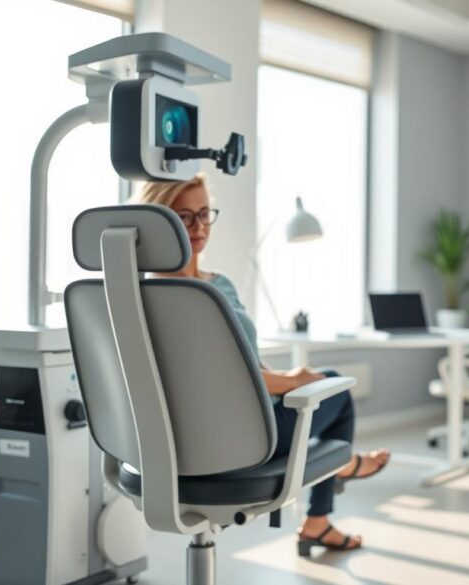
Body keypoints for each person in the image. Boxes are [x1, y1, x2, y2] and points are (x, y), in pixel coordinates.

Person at [138, 175, 390, 555]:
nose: (199, 227)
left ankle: (323, 513)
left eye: (205, 214)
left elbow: (241, 364)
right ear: (160, 223)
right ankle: (336, 484)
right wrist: (289, 381)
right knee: (336, 388)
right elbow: (221, 382)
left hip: (203, 435)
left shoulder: (191, 287)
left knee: (318, 384)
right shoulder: (182, 297)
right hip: (240, 441)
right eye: (184, 217)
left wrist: (279, 379)